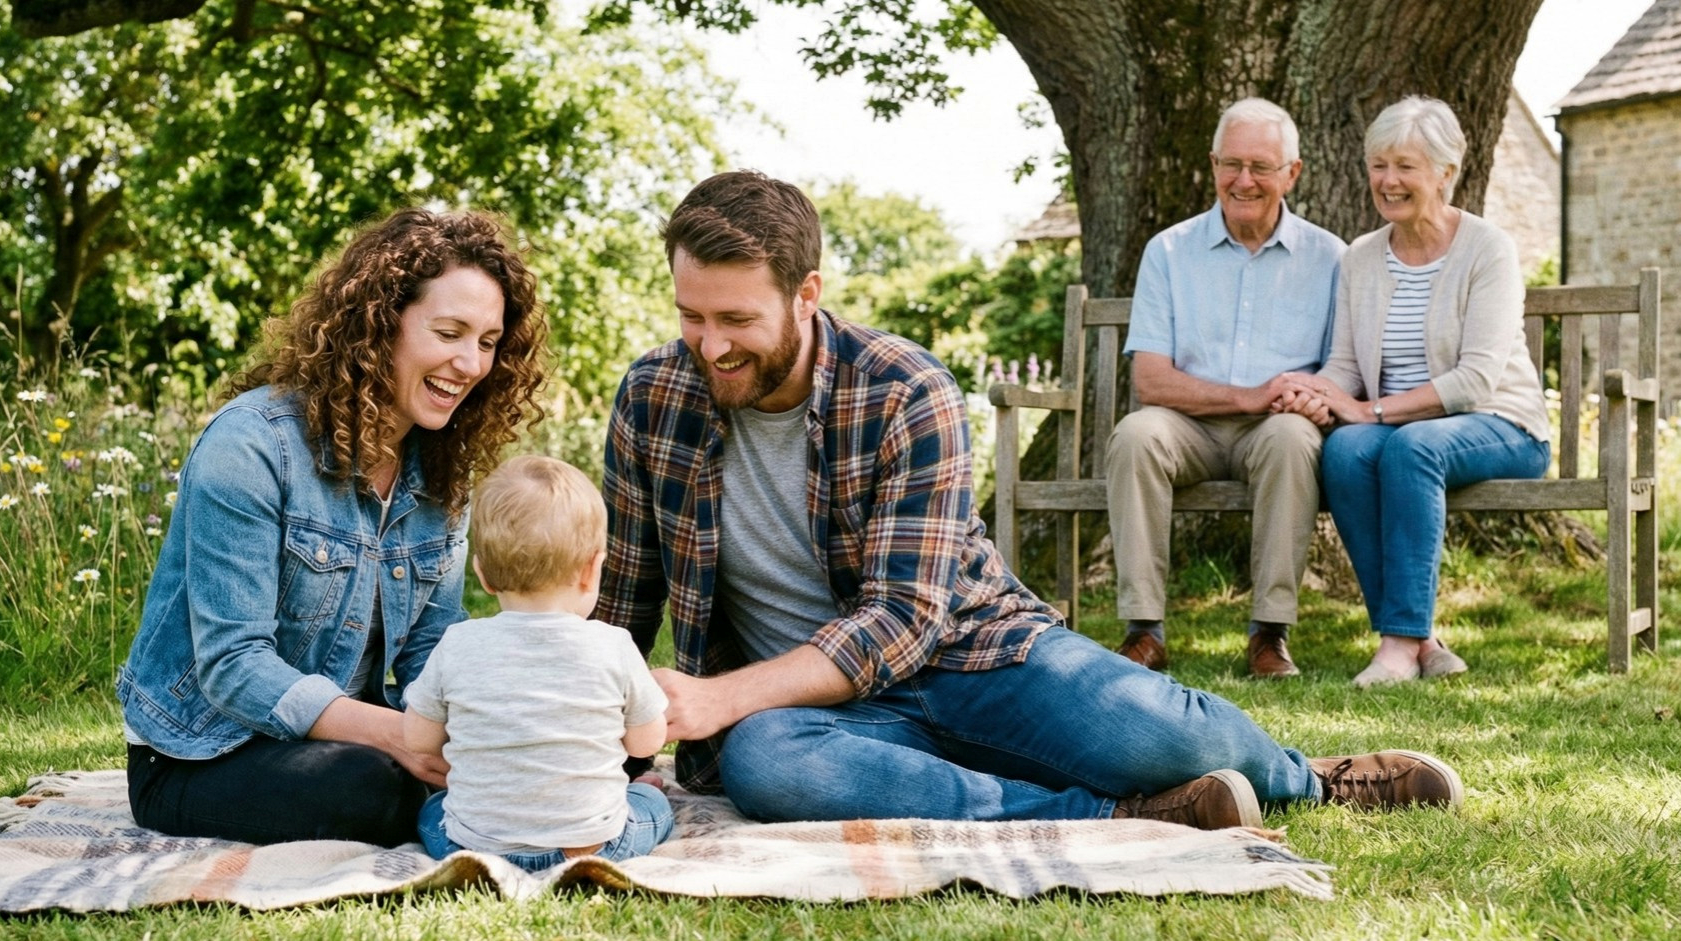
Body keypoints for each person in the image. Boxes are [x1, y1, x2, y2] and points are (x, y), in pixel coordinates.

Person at [594, 169, 1464, 832]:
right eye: (691, 316)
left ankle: (1307, 778)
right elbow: (623, 604)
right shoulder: (652, 398)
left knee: (1165, 736)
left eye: (736, 320)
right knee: (767, 765)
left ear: (806, 294)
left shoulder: (904, 390)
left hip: (975, 658)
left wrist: (720, 696)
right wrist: (594, 750)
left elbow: (902, 619)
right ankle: (1116, 816)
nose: (710, 345)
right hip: (809, 715)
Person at [117, 208, 549, 845]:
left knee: (524, 752)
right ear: (380, 324)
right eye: (449, 333)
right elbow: (234, 665)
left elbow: (431, 652)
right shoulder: (252, 445)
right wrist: (402, 736)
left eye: (487, 343)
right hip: (201, 751)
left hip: (350, 739)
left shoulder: (439, 473)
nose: (469, 363)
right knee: (372, 788)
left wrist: (496, 735)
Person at [1273, 96, 1551, 687]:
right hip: (1400, 430)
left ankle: (1398, 644)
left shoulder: (1487, 249)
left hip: (1500, 424)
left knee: (1410, 446)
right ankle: (1419, 640)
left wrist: (1368, 410)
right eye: (1379, 165)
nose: (1388, 180)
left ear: (1445, 173)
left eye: (1405, 166)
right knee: (1345, 450)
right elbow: (1345, 365)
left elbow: (1476, 380)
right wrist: (1315, 393)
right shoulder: (1361, 258)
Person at [1107, 98, 1346, 678]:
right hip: (1185, 426)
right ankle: (1144, 631)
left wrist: (1317, 397)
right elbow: (1150, 379)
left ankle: (1269, 633)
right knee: (1135, 435)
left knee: (1292, 438)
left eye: (1261, 166)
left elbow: (1343, 368)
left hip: (1276, 428)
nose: (1244, 180)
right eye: (1231, 164)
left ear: (1292, 173)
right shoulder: (1168, 250)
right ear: (1213, 164)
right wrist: (1247, 395)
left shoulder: (1331, 257)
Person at [404, 455, 672, 869]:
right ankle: (638, 798)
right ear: (592, 570)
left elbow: (418, 740)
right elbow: (647, 742)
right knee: (652, 803)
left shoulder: (457, 644)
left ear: (482, 573)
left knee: (433, 810)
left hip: (472, 849)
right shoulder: (613, 645)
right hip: (594, 847)